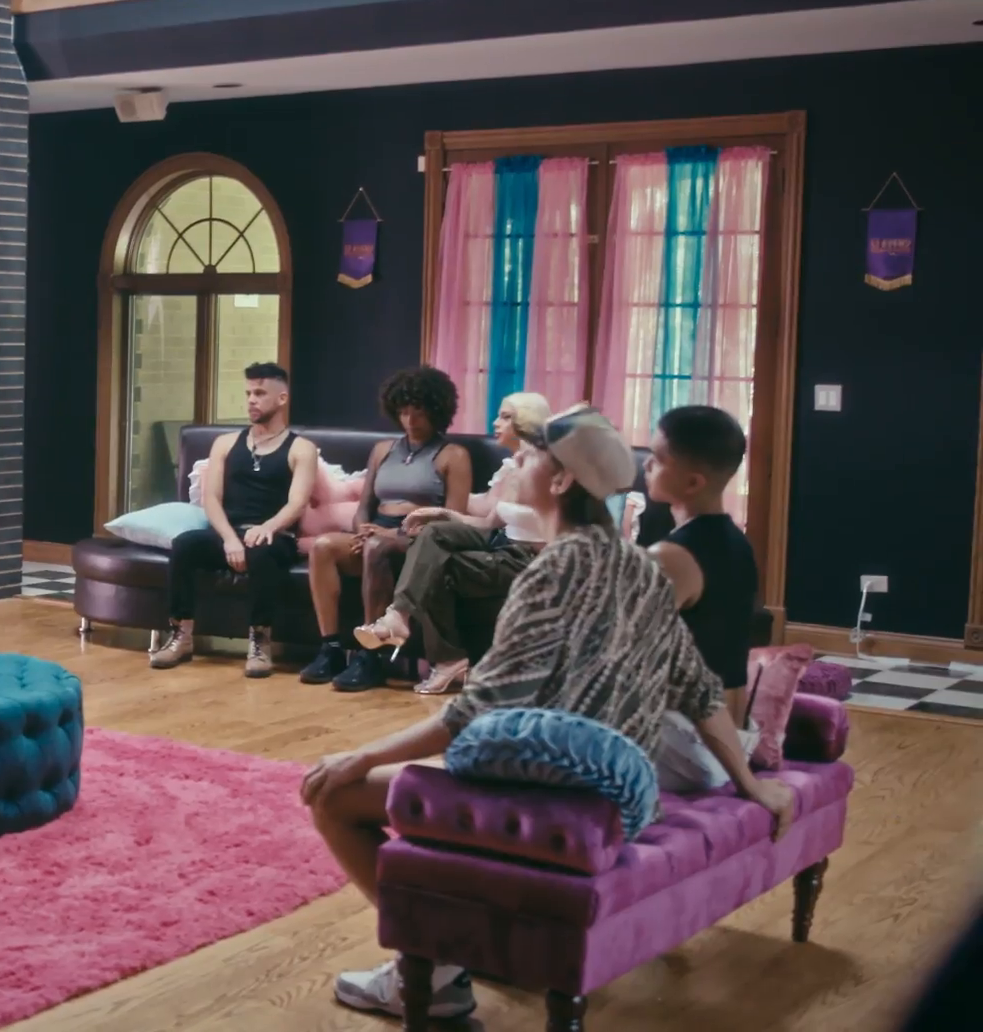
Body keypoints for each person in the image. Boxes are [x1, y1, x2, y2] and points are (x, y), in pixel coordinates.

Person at [301, 406, 795, 1021]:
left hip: (559, 787)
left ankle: (432, 967)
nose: (517, 461)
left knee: (334, 796)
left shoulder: (554, 568)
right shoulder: (634, 564)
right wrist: (751, 784)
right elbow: (697, 689)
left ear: (561, 480)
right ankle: (459, 944)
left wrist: (361, 755)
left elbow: (476, 710)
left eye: (532, 455)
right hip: (618, 790)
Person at [350, 392, 552, 694]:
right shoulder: (511, 468)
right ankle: (410, 627)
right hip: (501, 547)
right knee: (431, 539)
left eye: (506, 417)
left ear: (527, 421)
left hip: (529, 561)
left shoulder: (547, 469)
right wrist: (442, 513)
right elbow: (488, 523)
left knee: (435, 561)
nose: (495, 423)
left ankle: (437, 650)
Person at [301, 367, 471, 691]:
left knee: (377, 548)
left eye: (418, 412)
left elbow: (454, 520)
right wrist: (361, 529)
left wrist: (393, 535)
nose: (410, 420)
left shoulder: (454, 455)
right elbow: (365, 504)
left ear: (436, 410)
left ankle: (372, 656)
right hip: (375, 532)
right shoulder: (382, 450)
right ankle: (331, 649)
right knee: (323, 546)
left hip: (419, 539)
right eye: (403, 412)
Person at [150, 362, 320, 678]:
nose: (252, 400)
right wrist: (229, 538)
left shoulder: (302, 448)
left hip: (274, 536)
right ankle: (181, 635)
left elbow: (297, 503)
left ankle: (260, 642)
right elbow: (211, 499)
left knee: (263, 552)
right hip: (229, 533)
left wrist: (267, 527)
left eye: (260, 393)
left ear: (282, 398)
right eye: (248, 393)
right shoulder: (225, 443)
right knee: (185, 544)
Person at [642, 405, 762, 793]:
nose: (646, 464)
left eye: (657, 458)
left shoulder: (672, 557)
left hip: (692, 746)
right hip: (737, 736)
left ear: (693, 482)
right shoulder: (736, 541)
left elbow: (622, 652)